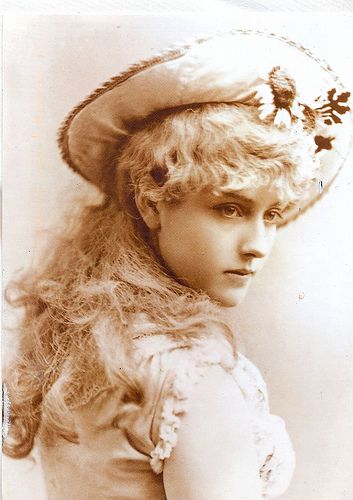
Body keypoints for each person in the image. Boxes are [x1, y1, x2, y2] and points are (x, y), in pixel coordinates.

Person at [3, 28, 352, 499]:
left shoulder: (91, 336)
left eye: (271, 214)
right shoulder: (193, 375)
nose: (258, 245)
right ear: (151, 202)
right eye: (229, 208)